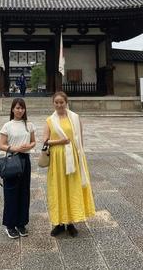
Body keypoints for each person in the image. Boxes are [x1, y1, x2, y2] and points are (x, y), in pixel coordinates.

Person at [43, 91, 95, 237]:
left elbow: (80, 139)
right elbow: (45, 141)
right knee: (59, 188)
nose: (59, 105)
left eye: (62, 102)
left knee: (72, 188)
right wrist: (60, 141)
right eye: (56, 102)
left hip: (73, 157)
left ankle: (71, 221)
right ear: (53, 103)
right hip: (58, 159)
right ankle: (59, 223)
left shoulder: (75, 118)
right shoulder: (49, 120)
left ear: (66, 103)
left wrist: (80, 157)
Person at [0, 98, 36, 239]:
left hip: (25, 160)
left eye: (22, 108)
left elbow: (34, 141)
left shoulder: (29, 125)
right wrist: (14, 148)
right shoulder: (7, 125)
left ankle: (21, 223)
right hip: (12, 160)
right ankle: (10, 225)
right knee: (11, 193)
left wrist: (29, 146)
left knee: (24, 192)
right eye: (17, 108)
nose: (20, 110)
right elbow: (1, 145)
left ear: (25, 110)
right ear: (12, 109)